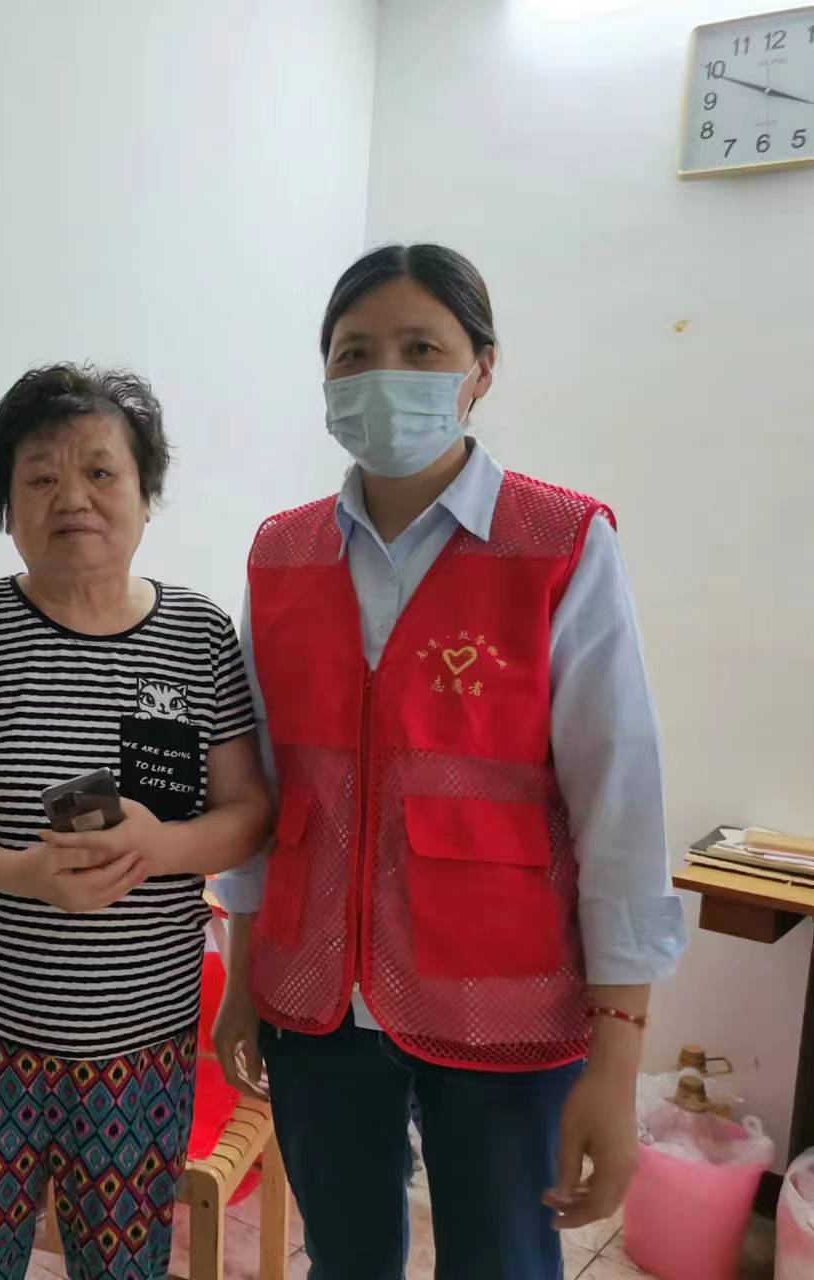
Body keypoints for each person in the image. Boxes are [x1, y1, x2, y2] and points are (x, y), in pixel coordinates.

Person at [209, 244, 687, 1280]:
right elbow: (261, 790)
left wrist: (617, 1062)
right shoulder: (282, 553)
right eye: (353, 352)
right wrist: (242, 977)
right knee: (343, 1260)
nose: (384, 373)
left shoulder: (559, 542)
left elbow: (620, 804)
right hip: (314, 997)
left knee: (502, 1262)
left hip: (504, 1003)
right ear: (325, 377)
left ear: (481, 369)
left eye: (420, 347)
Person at [0, 364, 274, 1280]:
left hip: (142, 1042)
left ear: (145, 493)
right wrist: (15, 872)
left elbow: (249, 815)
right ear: (5, 507)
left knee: (122, 1266)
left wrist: (161, 845)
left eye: (100, 472)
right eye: (41, 477)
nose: (73, 498)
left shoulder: (199, 637)